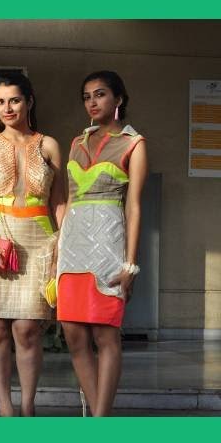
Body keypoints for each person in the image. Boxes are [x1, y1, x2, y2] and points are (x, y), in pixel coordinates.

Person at [0, 74, 66, 417]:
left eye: (14, 100)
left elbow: (59, 201)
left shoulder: (49, 145)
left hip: (39, 241)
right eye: (0, 102)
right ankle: (6, 408)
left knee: (27, 329)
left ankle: (27, 405)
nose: (7, 108)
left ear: (29, 101)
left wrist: (62, 244)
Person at [57, 70, 148, 416]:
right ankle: (99, 419)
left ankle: (100, 421)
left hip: (108, 247)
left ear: (118, 99)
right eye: (87, 97)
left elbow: (134, 206)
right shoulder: (76, 143)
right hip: (72, 247)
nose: (92, 102)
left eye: (100, 94)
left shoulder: (134, 144)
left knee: (105, 335)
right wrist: (58, 252)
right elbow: (69, 199)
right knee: (73, 334)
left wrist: (130, 264)